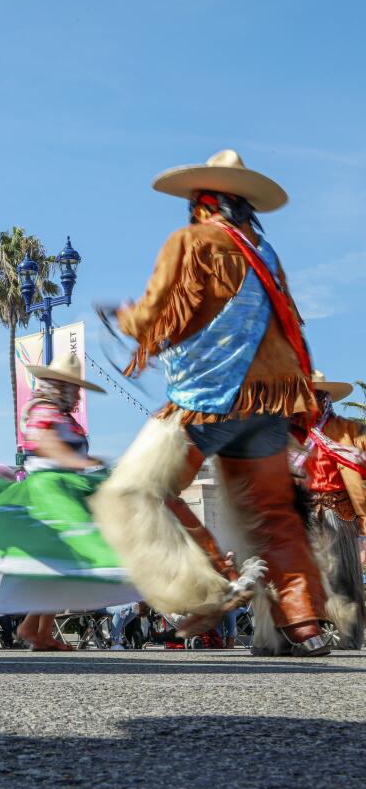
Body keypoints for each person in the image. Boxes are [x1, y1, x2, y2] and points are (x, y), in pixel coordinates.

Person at [91, 149, 329, 657]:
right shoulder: (263, 251)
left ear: (202, 204)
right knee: (274, 516)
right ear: (241, 206)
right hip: (269, 402)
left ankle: (213, 587)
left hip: (207, 401)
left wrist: (125, 319)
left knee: (138, 492)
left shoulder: (191, 240)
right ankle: (302, 626)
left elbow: (159, 309)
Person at [0, 354, 135, 649]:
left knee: (59, 566)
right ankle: (35, 630)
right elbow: (47, 445)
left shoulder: (64, 417)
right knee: (72, 557)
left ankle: (35, 630)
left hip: (68, 487)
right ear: (56, 385)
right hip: (49, 490)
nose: (75, 393)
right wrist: (74, 460)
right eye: (70, 386)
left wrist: (82, 466)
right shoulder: (40, 410)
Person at [289, 371, 366, 649]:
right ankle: (309, 632)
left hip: (338, 510)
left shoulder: (348, 430)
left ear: (325, 399)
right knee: (303, 575)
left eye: (314, 396)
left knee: (342, 575)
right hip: (302, 512)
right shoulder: (289, 435)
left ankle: (347, 635)